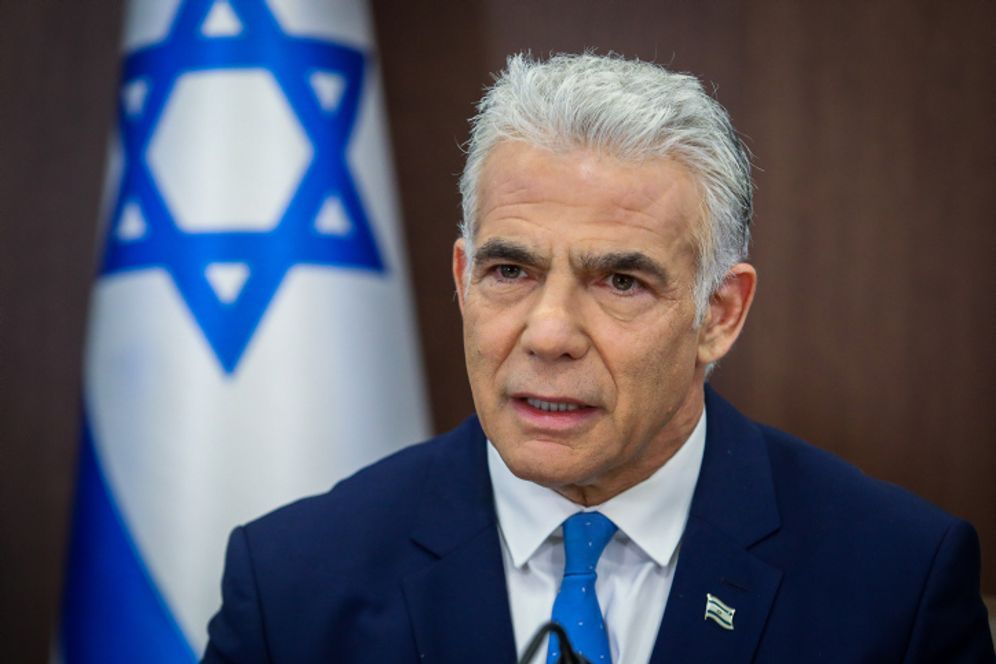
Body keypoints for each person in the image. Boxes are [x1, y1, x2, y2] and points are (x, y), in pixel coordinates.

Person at [203, 53, 994, 663]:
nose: (549, 335)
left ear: (719, 314)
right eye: (510, 271)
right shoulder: (291, 584)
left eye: (620, 281)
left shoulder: (898, 584)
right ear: (462, 280)